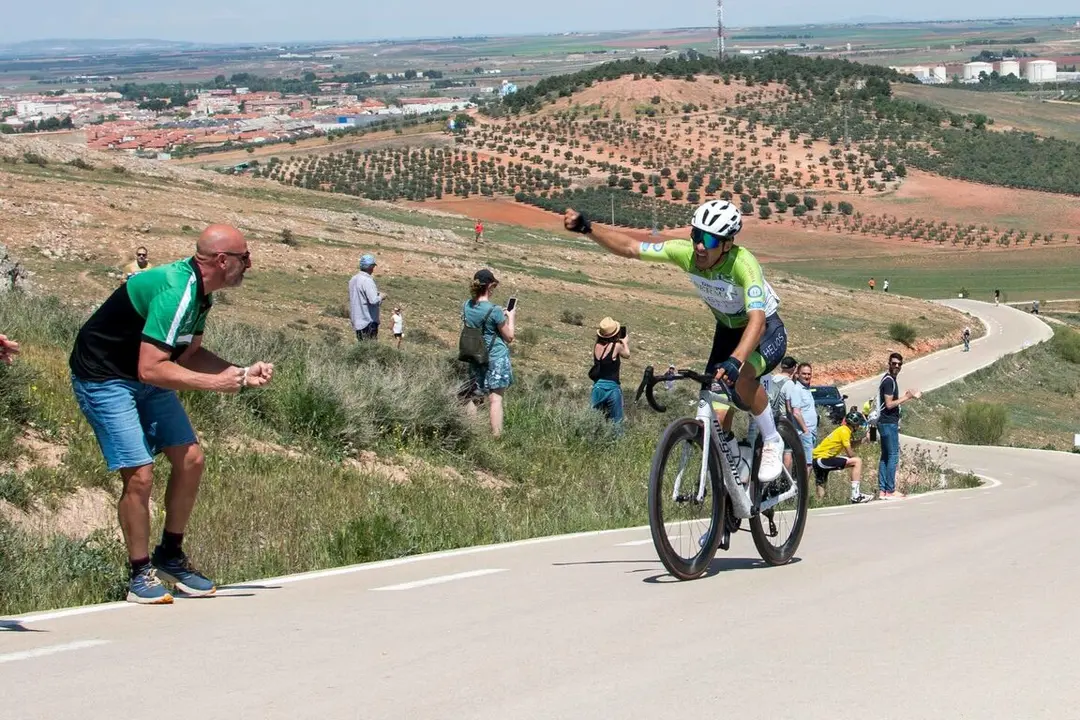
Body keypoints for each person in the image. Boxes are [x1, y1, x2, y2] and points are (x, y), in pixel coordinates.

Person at [68, 224, 274, 605]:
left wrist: (241, 373)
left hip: (143, 374)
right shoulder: (178, 289)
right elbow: (152, 369)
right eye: (245, 257)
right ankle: (139, 573)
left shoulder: (202, 294)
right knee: (140, 474)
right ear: (222, 260)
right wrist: (215, 385)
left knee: (191, 459)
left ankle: (171, 556)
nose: (251, 264)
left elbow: (188, 356)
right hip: (105, 378)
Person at [563, 199, 788, 483]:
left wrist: (735, 360)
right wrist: (587, 227)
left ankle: (772, 439)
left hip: (765, 330)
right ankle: (734, 476)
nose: (700, 245)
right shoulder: (685, 253)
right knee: (715, 424)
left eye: (709, 239)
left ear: (728, 243)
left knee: (741, 377)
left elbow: (756, 320)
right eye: (696, 235)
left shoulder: (744, 264)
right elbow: (632, 248)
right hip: (727, 332)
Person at [461, 269, 515, 437]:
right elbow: (509, 336)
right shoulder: (495, 311)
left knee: (474, 396)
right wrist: (511, 317)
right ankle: (496, 437)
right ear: (490, 286)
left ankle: (472, 432)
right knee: (495, 399)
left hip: (476, 355)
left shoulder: (467, 305)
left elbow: (477, 317)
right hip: (496, 357)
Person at [876, 351, 920, 500]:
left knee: (885, 456)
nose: (896, 366)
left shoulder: (889, 380)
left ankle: (883, 490)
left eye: (899, 364)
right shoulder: (889, 381)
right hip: (888, 422)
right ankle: (890, 490)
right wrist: (906, 397)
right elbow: (889, 404)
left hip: (884, 422)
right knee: (893, 455)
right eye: (894, 363)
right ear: (889, 364)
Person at [812, 408, 874, 504]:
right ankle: (856, 495)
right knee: (857, 461)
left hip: (817, 459)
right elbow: (850, 453)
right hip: (823, 459)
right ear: (855, 424)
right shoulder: (845, 431)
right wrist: (858, 460)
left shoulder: (842, 430)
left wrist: (864, 440)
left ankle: (819, 503)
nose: (859, 427)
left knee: (821, 483)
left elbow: (850, 444)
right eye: (858, 425)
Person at [590, 317, 630, 424]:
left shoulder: (597, 345)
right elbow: (627, 354)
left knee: (594, 422)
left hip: (598, 387)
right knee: (616, 422)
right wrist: (625, 342)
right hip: (612, 388)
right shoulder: (616, 346)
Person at [782, 362, 818, 471]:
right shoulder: (797, 389)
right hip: (805, 432)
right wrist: (805, 430)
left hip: (811, 431)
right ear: (798, 374)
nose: (807, 376)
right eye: (804, 374)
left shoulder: (806, 389)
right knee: (808, 465)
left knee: (807, 464)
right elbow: (796, 412)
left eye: (809, 374)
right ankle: (803, 488)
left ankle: (799, 487)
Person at [349, 254, 384, 341]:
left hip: (357, 321)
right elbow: (373, 300)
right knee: (370, 350)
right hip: (368, 321)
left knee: (362, 346)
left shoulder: (353, 279)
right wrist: (382, 296)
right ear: (371, 267)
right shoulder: (367, 280)